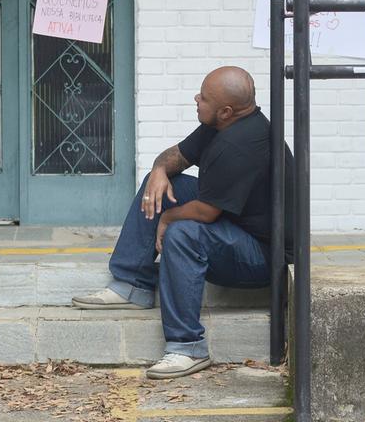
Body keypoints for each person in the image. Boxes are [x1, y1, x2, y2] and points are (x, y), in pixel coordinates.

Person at [72, 66, 293, 379]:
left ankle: (187, 346)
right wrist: (160, 171)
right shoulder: (220, 124)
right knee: (157, 182)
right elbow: (174, 156)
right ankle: (132, 284)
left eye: (203, 98)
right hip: (236, 225)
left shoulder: (241, 146)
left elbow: (206, 214)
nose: (196, 99)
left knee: (184, 233)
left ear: (226, 111)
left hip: (263, 256)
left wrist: (168, 218)